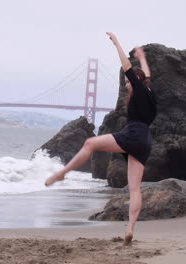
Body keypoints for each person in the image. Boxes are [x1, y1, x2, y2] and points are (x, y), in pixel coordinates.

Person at [44, 32, 157, 246]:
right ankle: (130, 229)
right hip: (145, 141)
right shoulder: (149, 91)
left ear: (136, 79)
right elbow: (147, 75)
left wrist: (116, 43)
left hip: (131, 134)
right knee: (135, 189)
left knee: (90, 143)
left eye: (128, 82)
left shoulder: (139, 87)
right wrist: (142, 57)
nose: (126, 85)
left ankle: (62, 173)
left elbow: (126, 65)